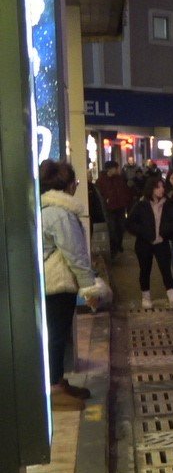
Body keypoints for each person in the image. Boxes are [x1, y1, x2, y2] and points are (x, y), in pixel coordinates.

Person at [40, 161, 108, 410]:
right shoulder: (59, 214)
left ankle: (58, 381)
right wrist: (90, 288)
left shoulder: (47, 208)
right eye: (76, 183)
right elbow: (75, 254)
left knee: (57, 334)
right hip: (58, 283)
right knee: (57, 336)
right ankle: (55, 388)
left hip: (52, 282)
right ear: (68, 185)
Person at [127, 175, 173, 309]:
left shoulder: (167, 204)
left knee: (166, 269)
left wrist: (165, 231)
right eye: (158, 187)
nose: (161, 189)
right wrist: (143, 232)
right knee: (145, 269)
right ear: (151, 189)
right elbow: (129, 223)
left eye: (162, 186)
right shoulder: (142, 204)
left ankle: (171, 296)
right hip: (144, 243)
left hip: (161, 242)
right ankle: (146, 297)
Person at [96, 160, 131, 257]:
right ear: (111, 169)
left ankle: (119, 245)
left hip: (120, 206)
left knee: (121, 227)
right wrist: (106, 201)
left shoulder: (119, 179)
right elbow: (100, 194)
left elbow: (125, 190)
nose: (118, 170)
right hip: (109, 208)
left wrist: (125, 201)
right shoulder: (101, 180)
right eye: (116, 168)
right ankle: (113, 249)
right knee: (112, 229)